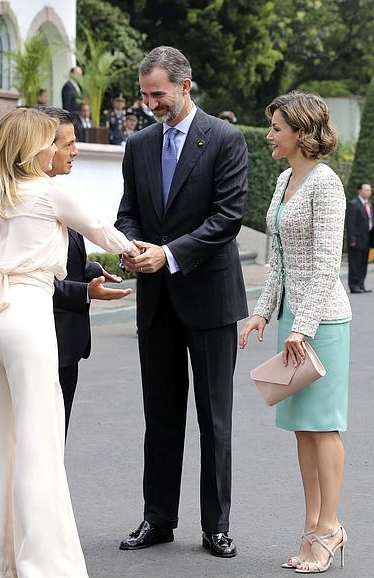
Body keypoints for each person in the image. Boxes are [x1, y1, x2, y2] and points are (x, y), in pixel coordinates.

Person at [0, 107, 137, 578]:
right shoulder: (49, 193)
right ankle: (46, 564)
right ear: (33, 148)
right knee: (40, 441)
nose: (58, 148)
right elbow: (104, 232)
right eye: (52, 141)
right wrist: (140, 252)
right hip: (27, 316)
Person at [116, 46, 248, 558]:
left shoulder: (225, 139)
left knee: (214, 419)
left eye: (159, 94)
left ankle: (216, 525)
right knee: (160, 414)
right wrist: (132, 248)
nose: (150, 103)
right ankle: (158, 518)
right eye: (145, 95)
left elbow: (228, 217)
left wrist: (167, 254)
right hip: (156, 301)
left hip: (210, 299)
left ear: (185, 86)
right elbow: (129, 212)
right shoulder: (138, 145)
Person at [239, 91, 351, 573]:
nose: (269, 135)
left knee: (323, 426)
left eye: (276, 128)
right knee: (301, 430)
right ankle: (312, 528)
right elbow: (279, 260)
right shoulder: (285, 178)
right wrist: (263, 313)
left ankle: (330, 529)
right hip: (292, 322)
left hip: (323, 320)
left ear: (302, 133)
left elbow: (327, 263)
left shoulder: (326, 184)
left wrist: (303, 326)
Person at [38, 106, 132, 435]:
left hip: (64, 341)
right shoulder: (38, 198)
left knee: (52, 438)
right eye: (68, 144)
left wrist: (90, 269)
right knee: (41, 441)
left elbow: (59, 257)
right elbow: (31, 278)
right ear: (43, 146)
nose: (76, 151)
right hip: (43, 337)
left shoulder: (55, 191)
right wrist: (135, 250)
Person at [346, 182, 374, 292]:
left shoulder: (369, 204)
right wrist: (352, 239)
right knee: (355, 263)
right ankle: (353, 285)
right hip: (356, 239)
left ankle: (361, 284)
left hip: (367, 238)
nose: (369, 192)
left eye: (369, 190)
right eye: (366, 190)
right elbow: (350, 223)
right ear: (359, 191)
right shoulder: (354, 204)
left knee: (364, 262)